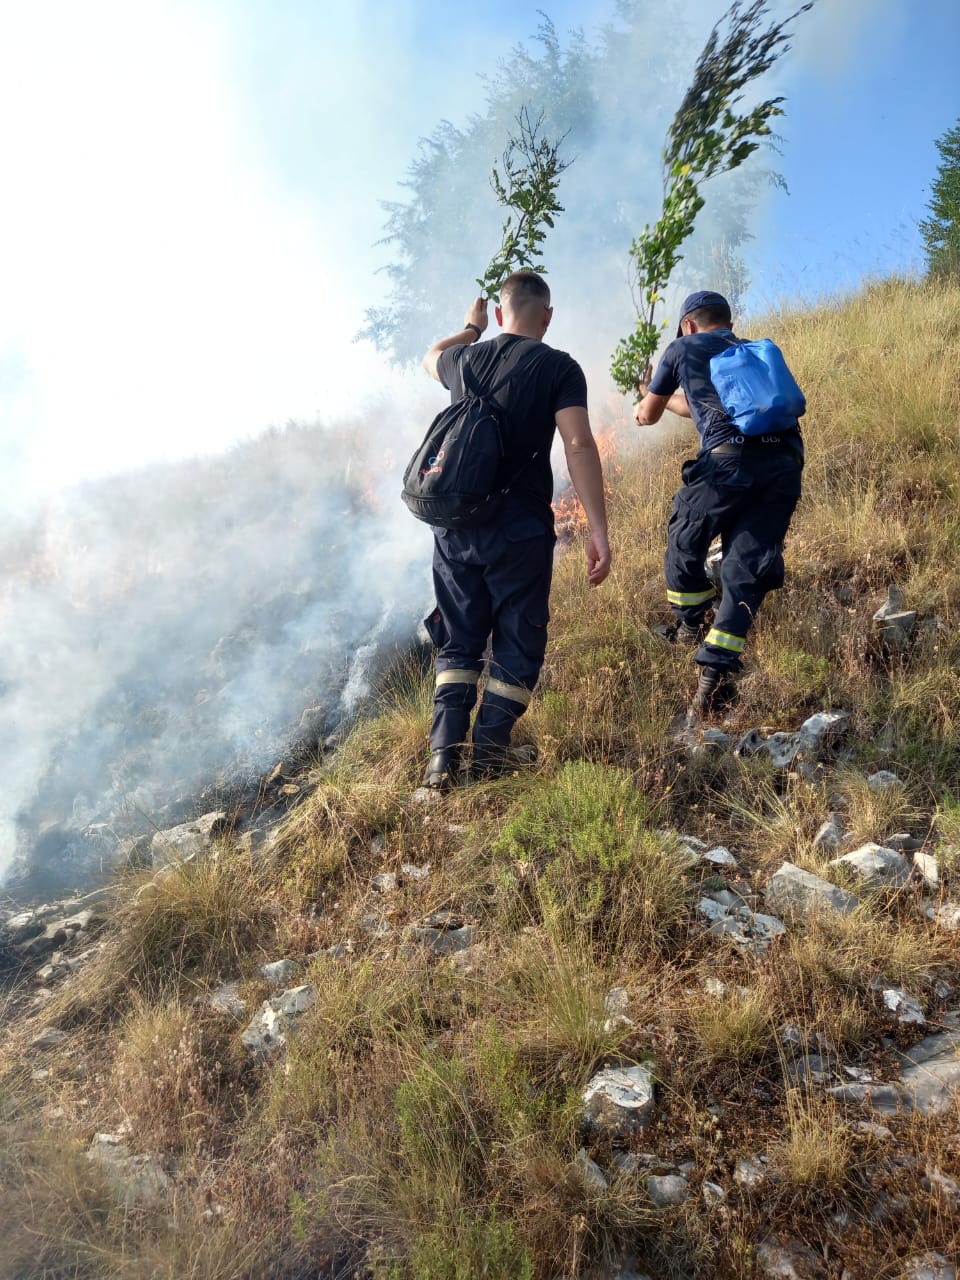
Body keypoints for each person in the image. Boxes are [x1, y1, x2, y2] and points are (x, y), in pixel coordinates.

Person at [420, 269, 611, 788]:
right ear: (547, 317)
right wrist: (598, 528)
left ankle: (443, 757)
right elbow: (577, 445)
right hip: (520, 532)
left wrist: (469, 327)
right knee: (517, 642)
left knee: (458, 643)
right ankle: (488, 757)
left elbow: (428, 355)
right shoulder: (559, 368)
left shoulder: (464, 359)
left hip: (455, 529)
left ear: (501, 313)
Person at [633, 290, 803, 718]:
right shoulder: (749, 354)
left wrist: (641, 397)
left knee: (683, 538)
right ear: (727, 321)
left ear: (688, 325)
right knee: (745, 567)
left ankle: (690, 622)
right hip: (784, 463)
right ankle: (712, 681)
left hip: (728, 463)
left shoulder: (683, 347)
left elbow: (646, 416)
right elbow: (694, 407)